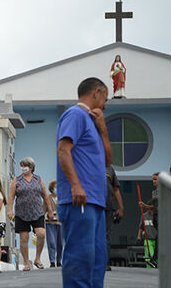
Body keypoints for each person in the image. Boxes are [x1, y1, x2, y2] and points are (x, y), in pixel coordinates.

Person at [56, 77, 112, 288]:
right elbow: (63, 150)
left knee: (97, 260)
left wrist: (103, 128)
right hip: (80, 198)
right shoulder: (76, 114)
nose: (106, 103)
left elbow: (108, 161)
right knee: (79, 258)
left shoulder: (94, 121)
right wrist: (76, 184)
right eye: (106, 97)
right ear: (96, 92)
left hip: (96, 201)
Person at [7, 157, 54, 271]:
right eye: (22, 165)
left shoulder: (38, 179)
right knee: (24, 238)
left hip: (37, 212)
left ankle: (38, 259)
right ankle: (27, 263)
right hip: (21, 213)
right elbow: (11, 196)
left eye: (25, 165)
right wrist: (10, 210)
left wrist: (50, 210)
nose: (23, 168)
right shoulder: (17, 180)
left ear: (32, 167)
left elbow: (45, 196)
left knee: (41, 233)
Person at [104, 165, 124, 270]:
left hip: (108, 208)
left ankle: (105, 262)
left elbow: (116, 190)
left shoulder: (110, 169)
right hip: (93, 207)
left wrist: (121, 208)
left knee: (106, 235)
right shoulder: (89, 163)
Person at [139, 172, 160, 267]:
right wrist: (146, 206)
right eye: (153, 179)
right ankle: (154, 259)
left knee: (159, 238)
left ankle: (154, 258)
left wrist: (145, 205)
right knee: (159, 238)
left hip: (163, 216)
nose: (154, 181)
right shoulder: (154, 192)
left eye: (156, 179)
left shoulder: (166, 190)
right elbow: (155, 206)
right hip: (156, 216)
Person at [46, 180, 63, 268]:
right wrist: (48, 214)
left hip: (60, 223)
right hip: (50, 223)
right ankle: (52, 261)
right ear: (52, 188)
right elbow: (43, 210)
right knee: (51, 242)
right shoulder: (47, 198)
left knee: (60, 243)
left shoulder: (62, 198)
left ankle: (59, 261)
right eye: (56, 187)